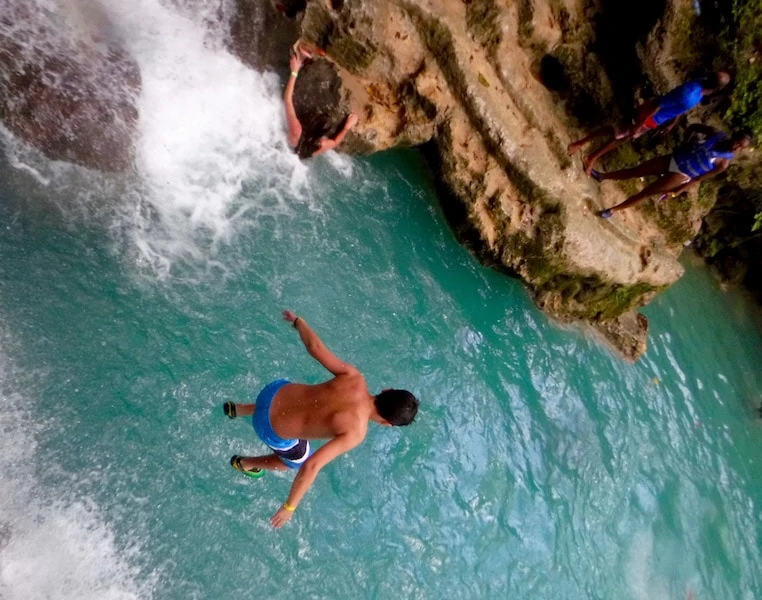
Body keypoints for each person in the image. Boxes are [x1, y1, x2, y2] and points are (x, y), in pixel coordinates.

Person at [223, 310, 419, 528]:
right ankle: (245, 463)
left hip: (271, 392)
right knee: (296, 460)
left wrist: (298, 322)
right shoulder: (356, 432)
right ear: (386, 423)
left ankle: (238, 409)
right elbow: (312, 466)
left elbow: (314, 348)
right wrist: (289, 507)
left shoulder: (355, 378)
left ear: (386, 389)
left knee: (294, 403)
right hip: (266, 427)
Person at [568, 72, 731, 176]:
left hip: (656, 120)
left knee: (620, 136)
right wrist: (639, 124)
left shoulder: (701, 87)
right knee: (615, 131)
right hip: (648, 115)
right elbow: (658, 104)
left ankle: (591, 155)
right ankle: (582, 146)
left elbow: (678, 108)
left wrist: (672, 123)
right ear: (716, 88)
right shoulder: (689, 94)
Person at [592, 125, 751, 218]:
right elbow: (693, 127)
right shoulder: (716, 134)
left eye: (740, 147)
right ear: (734, 136)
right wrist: (685, 142)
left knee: (646, 192)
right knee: (637, 171)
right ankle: (602, 176)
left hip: (682, 174)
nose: (736, 147)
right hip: (675, 158)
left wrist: (676, 192)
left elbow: (698, 179)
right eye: (737, 142)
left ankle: (612, 210)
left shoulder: (723, 163)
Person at [285, 43, 358, 159]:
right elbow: (335, 142)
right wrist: (346, 127)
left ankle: (301, 57)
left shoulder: (296, 131)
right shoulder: (319, 145)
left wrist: (294, 71)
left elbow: (287, 99)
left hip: (285, 153)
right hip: (299, 160)